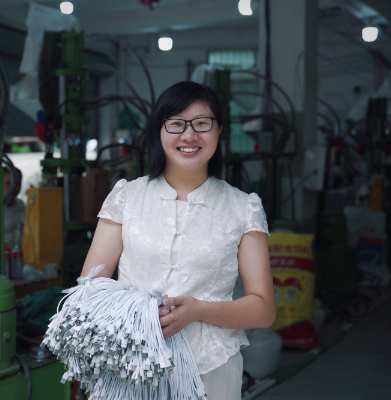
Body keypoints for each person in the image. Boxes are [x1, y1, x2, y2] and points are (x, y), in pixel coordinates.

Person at [81, 81, 275, 399]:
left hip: (212, 371)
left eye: (202, 123)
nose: (189, 135)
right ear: (159, 131)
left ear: (219, 130)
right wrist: (140, 313)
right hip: (129, 365)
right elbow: (90, 289)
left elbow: (263, 309)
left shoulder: (243, 207)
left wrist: (197, 311)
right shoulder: (126, 197)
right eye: (176, 124)